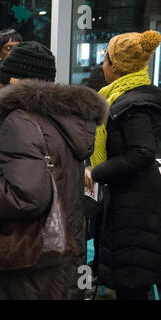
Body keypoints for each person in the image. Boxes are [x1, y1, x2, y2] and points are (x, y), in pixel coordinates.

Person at [0, 41, 108, 299]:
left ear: (14, 81)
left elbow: (23, 199)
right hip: (57, 261)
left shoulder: (21, 122)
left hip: (22, 269)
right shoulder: (66, 121)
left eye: (2, 83)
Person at [85, 30, 161, 300]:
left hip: (135, 206)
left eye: (105, 59)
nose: (102, 65)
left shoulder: (133, 104)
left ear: (115, 65)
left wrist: (96, 171)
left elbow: (142, 152)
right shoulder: (123, 96)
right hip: (129, 200)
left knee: (133, 283)